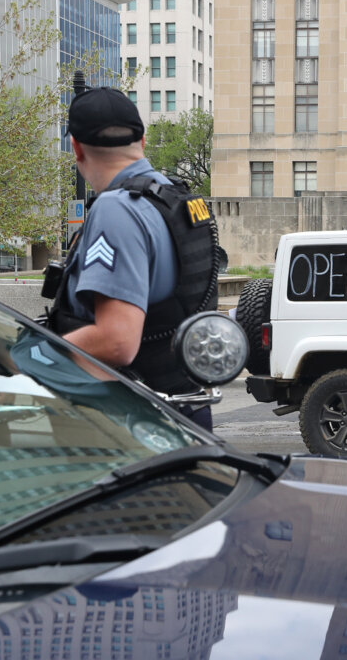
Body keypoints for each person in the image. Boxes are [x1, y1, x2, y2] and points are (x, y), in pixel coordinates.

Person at [43, 87, 220, 430]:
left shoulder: (117, 208)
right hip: (179, 409)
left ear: (76, 148)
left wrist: (35, 354)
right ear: (141, 139)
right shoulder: (175, 199)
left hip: (128, 424)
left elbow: (116, 341)